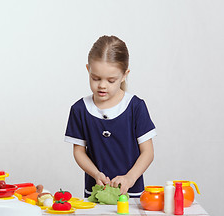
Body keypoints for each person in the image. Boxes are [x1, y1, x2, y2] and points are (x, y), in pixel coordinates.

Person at [64, 35, 156, 198]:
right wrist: (96, 174)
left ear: (124, 75)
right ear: (88, 70)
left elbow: (147, 152)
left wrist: (130, 178)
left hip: (131, 194)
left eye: (111, 80)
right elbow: (79, 151)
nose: (102, 85)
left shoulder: (135, 107)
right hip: (96, 194)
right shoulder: (80, 109)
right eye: (96, 78)